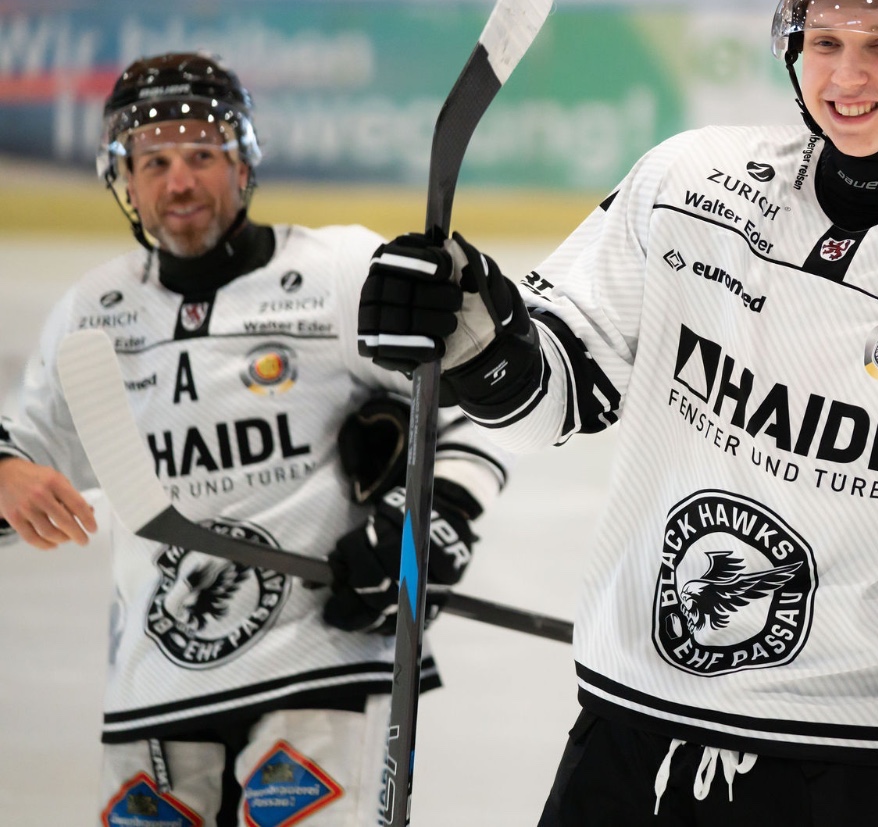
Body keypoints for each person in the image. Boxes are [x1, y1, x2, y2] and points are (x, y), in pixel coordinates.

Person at [360, 0, 878, 826]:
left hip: (863, 754)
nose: (845, 76)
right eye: (825, 41)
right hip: (632, 723)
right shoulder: (687, 185)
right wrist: (478, 342)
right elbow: (552, 393)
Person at [0, 52, 507, 827]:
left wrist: (431, 526)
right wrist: (5, 473)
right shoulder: (91, 314)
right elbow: (21, 449)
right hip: (156, 685)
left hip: (321, 669)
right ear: (122, 178)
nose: (179, 182)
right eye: (155, 161)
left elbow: (469, 404)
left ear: (243, 165)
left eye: (202, 155)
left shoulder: (337, 271)